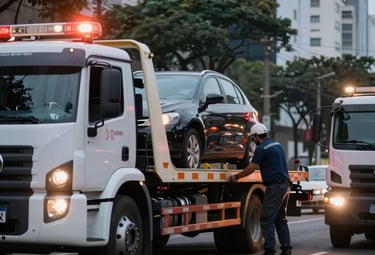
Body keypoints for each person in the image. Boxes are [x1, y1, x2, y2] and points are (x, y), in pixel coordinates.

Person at [230, 122, 292, 255]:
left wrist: (237, 177)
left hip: (274, 186)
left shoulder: (262, 148)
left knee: (266, 218)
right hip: (285, 185)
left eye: (253, 138)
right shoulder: (277, 145)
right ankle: (286, 249)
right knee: (280, 218)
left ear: (257, 136)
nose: (254, 140)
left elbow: (252, 167)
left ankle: (269, 250)